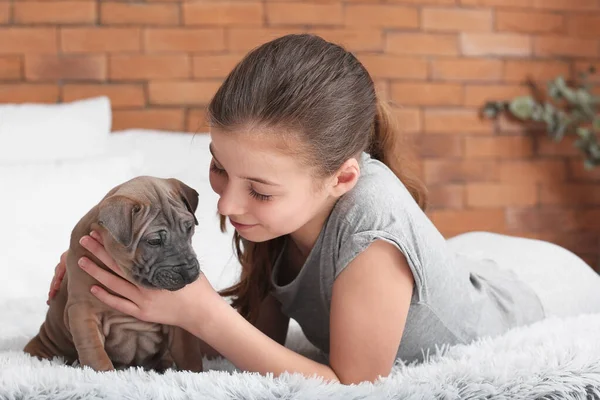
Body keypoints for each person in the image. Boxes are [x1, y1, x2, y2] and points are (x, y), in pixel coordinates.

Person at [45, 34, 599, 385]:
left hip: (533, 291)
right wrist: (108, 278)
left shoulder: (370, 230)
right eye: (218, 168)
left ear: (342, 178)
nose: (228, 202)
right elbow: (257, 339)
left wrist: (201, 313)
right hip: (464, 267)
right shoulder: (277, 211)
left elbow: (351, 387)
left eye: (258, 190)